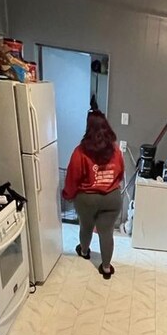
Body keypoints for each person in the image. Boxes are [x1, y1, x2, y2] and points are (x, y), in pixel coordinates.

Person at [63, 109, 125, 279]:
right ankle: (106, 268)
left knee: (86, 226)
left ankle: (84, 251)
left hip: (87, 199)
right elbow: (120, 173)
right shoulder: (115, 150)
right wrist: (109, 184)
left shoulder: (80, 152)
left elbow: (72, 177)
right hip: (112, 198)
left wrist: (68, 194)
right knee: (107, 232)